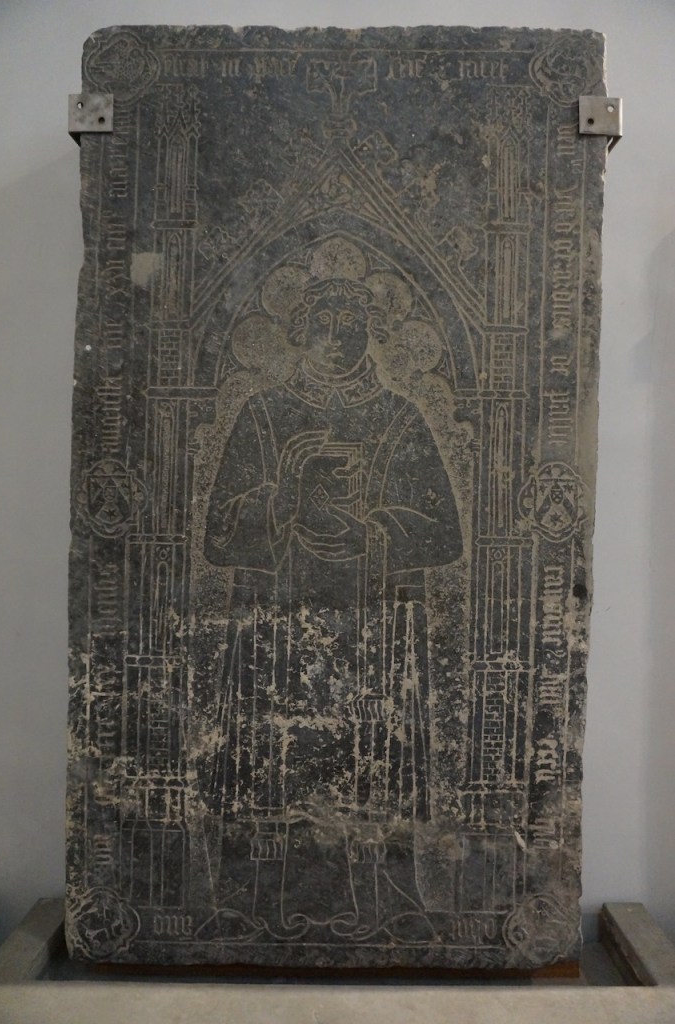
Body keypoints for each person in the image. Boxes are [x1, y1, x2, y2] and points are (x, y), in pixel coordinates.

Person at [200, 261, 462, 942]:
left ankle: (386, 902)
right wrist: (285, 496)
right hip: (276, 631)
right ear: (298, 330)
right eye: (323, 320)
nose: (338, 334)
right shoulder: (264, 414)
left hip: (376, 634)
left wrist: (370, 532)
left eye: (351, 322)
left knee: (371, 765)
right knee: (274, 766)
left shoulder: (398, 416)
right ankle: (256, 901)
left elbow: (445, 534)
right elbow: (218, 539)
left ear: (371, 332)